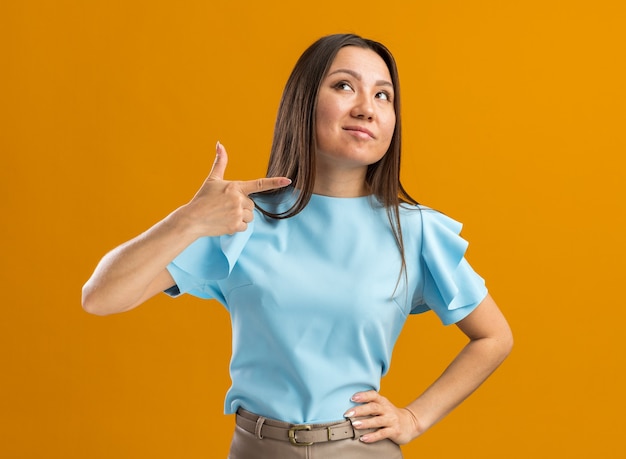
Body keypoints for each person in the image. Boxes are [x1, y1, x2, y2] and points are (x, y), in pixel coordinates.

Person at [82, 33, 513, 458]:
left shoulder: (414, 232)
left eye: (384, 96)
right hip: (256, 449)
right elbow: (101, 297)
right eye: (344, 86)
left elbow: (494, 337)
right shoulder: (241, 221)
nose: (366, 108)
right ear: (304, 102)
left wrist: (414, 418)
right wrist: (187, 220)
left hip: (360, 451)